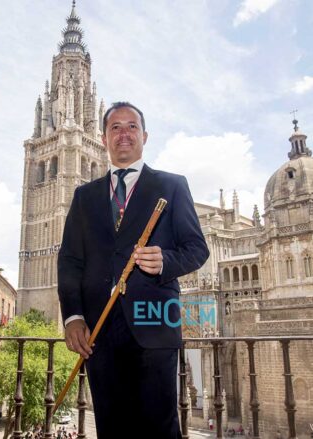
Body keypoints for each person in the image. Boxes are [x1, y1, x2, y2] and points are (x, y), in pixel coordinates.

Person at [58, 102, 209, 438]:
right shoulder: (84, 196)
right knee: (111, 427)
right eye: (115, 127)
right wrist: (73, 317)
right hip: (99, 328)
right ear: (103, 137)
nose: (123, 134)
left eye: (131, 126)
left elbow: (197, 249)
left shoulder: (172, 185)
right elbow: (70, 260)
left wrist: (165, 261)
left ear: (145, 136)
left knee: (160, 427)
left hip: (155, 318)